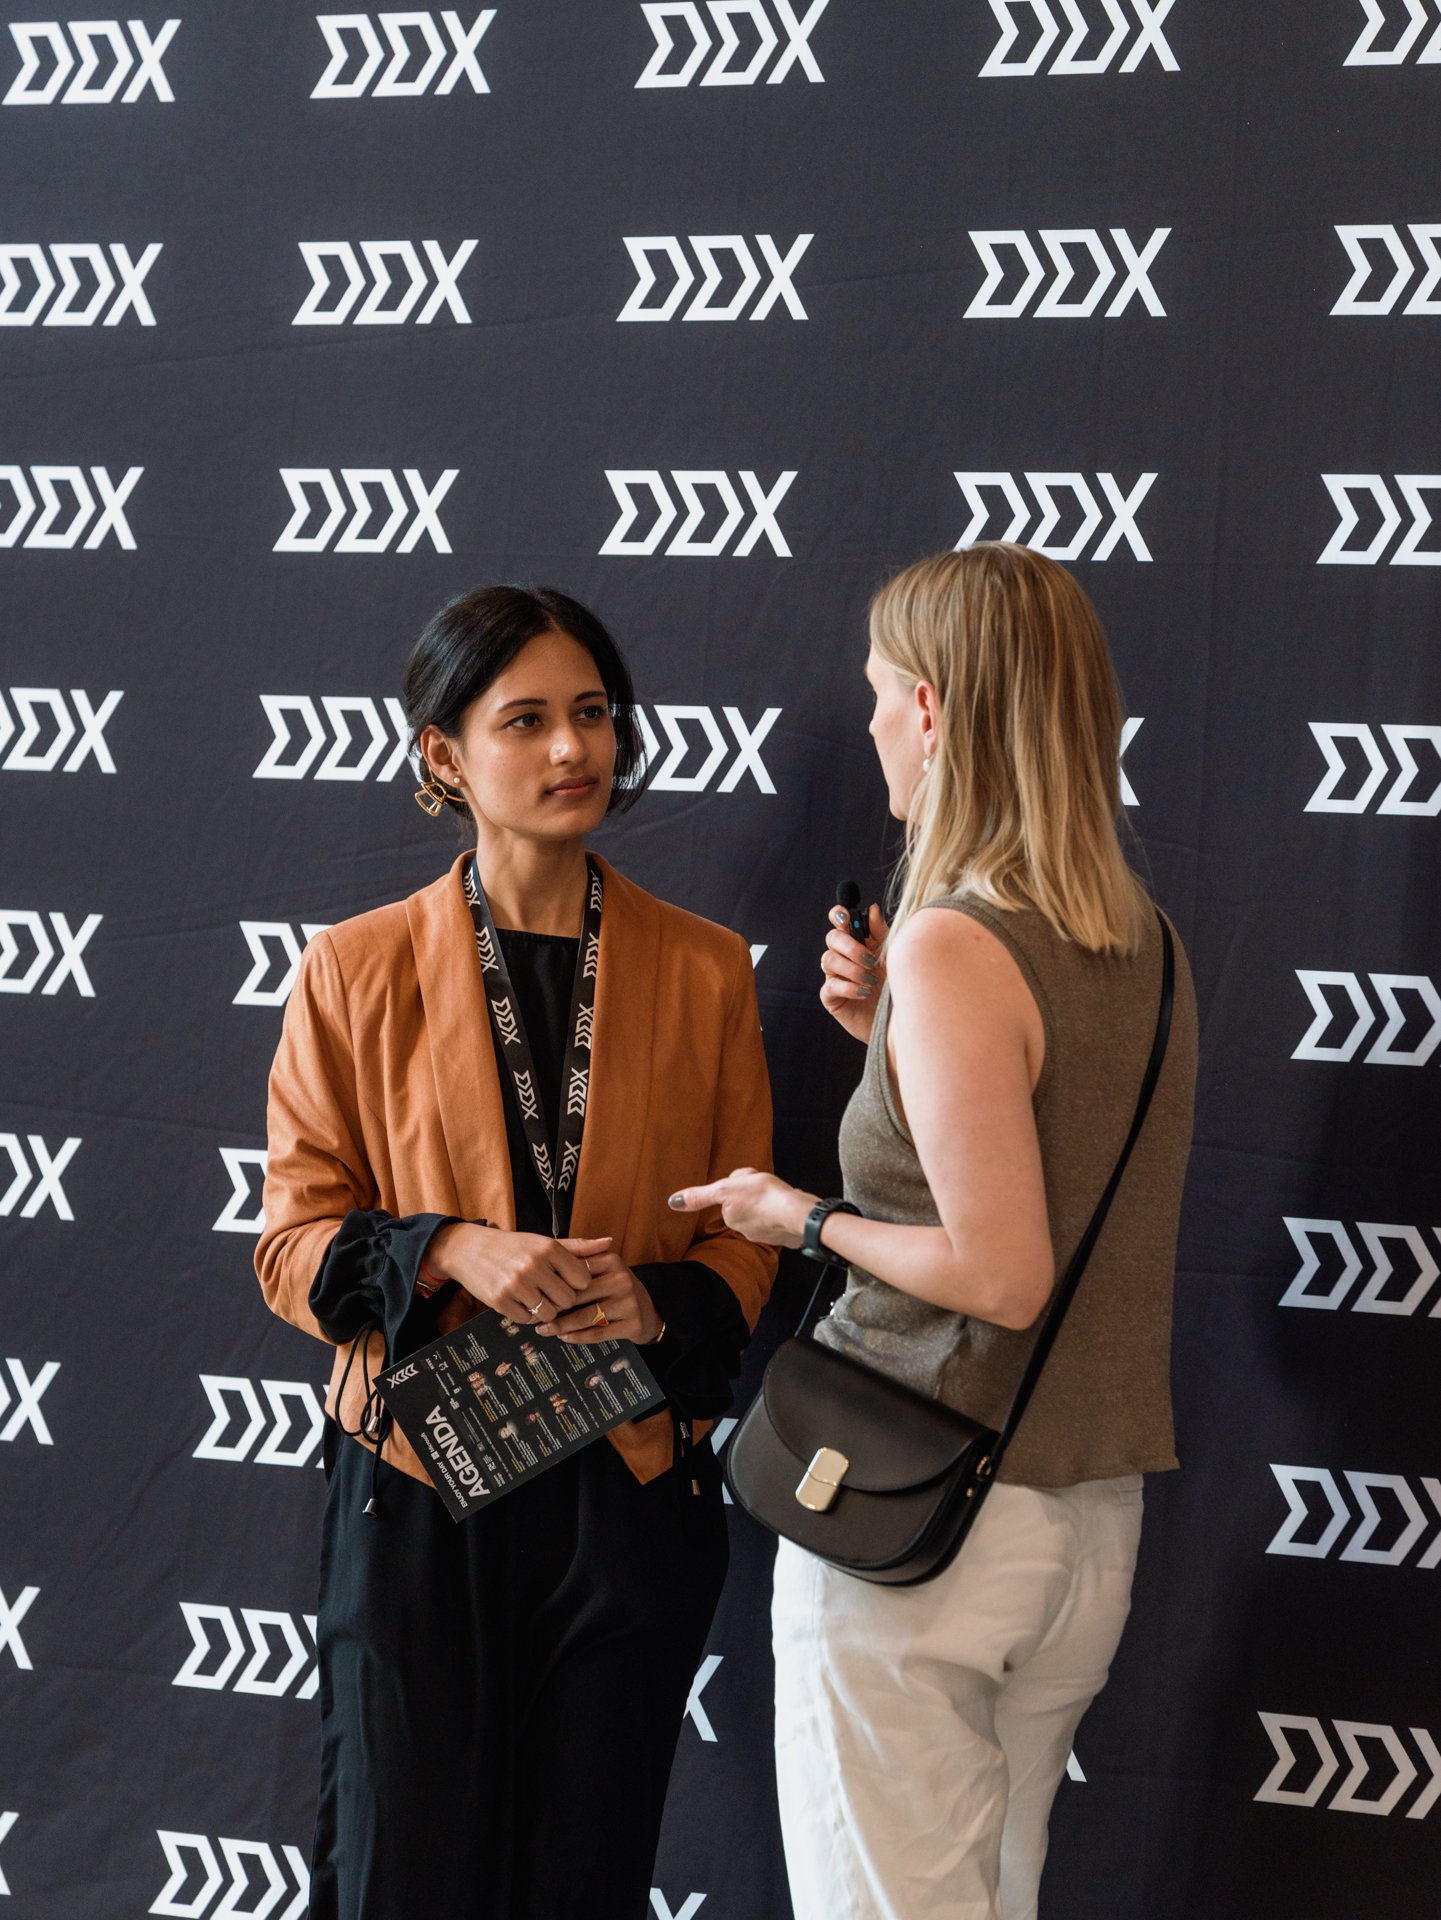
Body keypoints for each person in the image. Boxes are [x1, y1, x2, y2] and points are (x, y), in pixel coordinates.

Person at [672, 544, 1197, 1920]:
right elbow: (1049, 1160)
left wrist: (799, 1217)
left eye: (874, 692)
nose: (863, 725)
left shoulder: (952, 943)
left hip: (924, 1525)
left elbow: (1000, 1274)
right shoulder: (1137, 936)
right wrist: (882, 1046)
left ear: (934, 709)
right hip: (1080, 1527)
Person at [255, 585, 777, 1920]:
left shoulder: (707, 968)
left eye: (592, 714)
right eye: (527, 719)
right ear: (442, 755)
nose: (571, 751)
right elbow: (291, 1249)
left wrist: (652, 1304)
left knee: (584, 1881)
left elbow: (744, 1240)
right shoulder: (353, 969)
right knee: (402, 1875)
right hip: (422, 1483)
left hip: (627, 1480)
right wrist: (448, 1252)